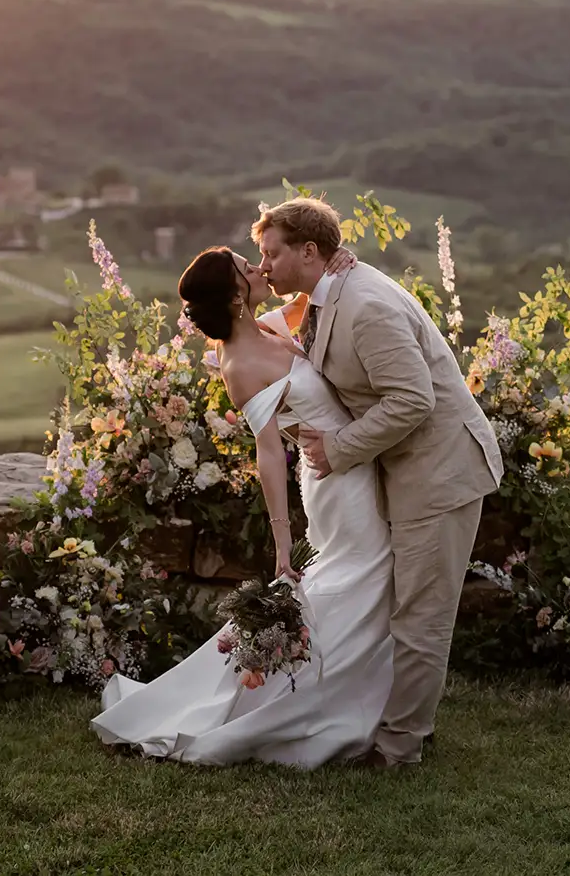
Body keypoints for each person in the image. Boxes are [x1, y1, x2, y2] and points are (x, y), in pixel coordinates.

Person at [89, 244, 392, 767]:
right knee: (360, 580)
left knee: (360, 584)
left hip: (354, 465)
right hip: (334, 484)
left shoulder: (268, 327)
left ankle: (355, 700)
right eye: (245, 268)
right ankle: (311, 709)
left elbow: (320, 308)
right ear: (234, 296)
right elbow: (269, 452)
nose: (258, 268)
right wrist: (280, 545)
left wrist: (342, 263)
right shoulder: (240, 363)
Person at [256, 197, 502, 768]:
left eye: (271, 254)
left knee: (420, 615)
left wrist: (337, 449)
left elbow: (413, 400)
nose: (263, 265)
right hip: (407, 471)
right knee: (401, 607)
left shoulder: (365, 304)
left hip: (440, 473)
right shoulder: (328, 291)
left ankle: (398, 749)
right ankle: (399, 724)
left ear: (309, 252)